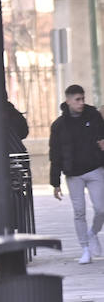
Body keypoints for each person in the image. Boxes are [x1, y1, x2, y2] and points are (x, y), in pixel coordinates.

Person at [48, 84, 104, 264]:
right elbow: (54, 154)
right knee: (79, 212)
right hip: (73, 175)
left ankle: (93, 233)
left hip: (95, 169)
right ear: (68, 101)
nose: (81, 103)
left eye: (83, 99)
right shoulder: (59, 125)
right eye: (77, 100)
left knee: (101, 208)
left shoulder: (94, 116)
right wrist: (55, 183)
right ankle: (85, 249)